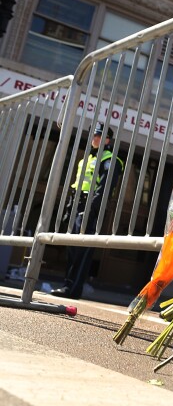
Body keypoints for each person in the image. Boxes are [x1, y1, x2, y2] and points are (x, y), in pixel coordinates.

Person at [51, 123, 124, 299]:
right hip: (76, 204)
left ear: (107, 140)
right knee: (72, 248)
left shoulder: (110, 160)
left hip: (90, 207)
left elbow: (104, 189)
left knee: (82, 251)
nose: (94, 139)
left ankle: (73, 289)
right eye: (93, 135)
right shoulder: (87, 159)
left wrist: (90, 210)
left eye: (98, 136)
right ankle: (67, 285)